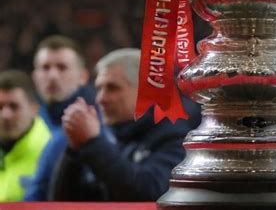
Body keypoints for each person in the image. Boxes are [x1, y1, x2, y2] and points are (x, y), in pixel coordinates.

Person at [50, 48, 201, 201]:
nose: (100, 99)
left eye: (112, 88)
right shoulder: (108, 136)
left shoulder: (177, 138)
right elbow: (61, 200)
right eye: (99, 88)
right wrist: (75, 150)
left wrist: (92, 143)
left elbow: (149, 193)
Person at [24, 35, 95, 201]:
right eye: (45, 68)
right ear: (34, 76)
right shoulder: (28, 122)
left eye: (62, 67)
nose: (52, 75)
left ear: (83, 76)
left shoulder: (97, 126)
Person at [0, 70, 51, 201]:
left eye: (14, 107)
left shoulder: (49, 151)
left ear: (34, 109)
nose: (5, 115)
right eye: (0, 107)